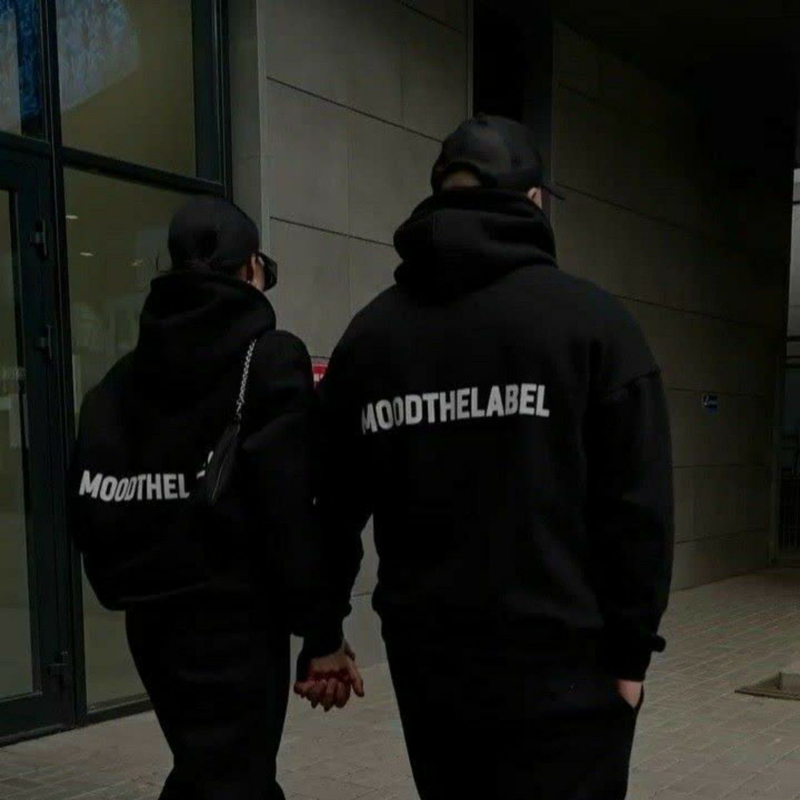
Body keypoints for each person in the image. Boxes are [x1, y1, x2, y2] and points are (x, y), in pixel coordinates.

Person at [297, 115, 674, 799]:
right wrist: (630, 659)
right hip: (568, 671)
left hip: (432, 668)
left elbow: (329, 505)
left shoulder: (373, 337)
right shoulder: (593, 324)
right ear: (533, 200)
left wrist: (323, 633)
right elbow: (638, 511)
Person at [70, 196, 362, 800]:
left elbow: (90, 507)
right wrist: (322, 635)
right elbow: (290, 514)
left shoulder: (121, 380)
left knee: (206, 771)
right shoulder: (269, 359)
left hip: (153, 625)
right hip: (237, 625)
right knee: (234, 780)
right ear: (251, 267)